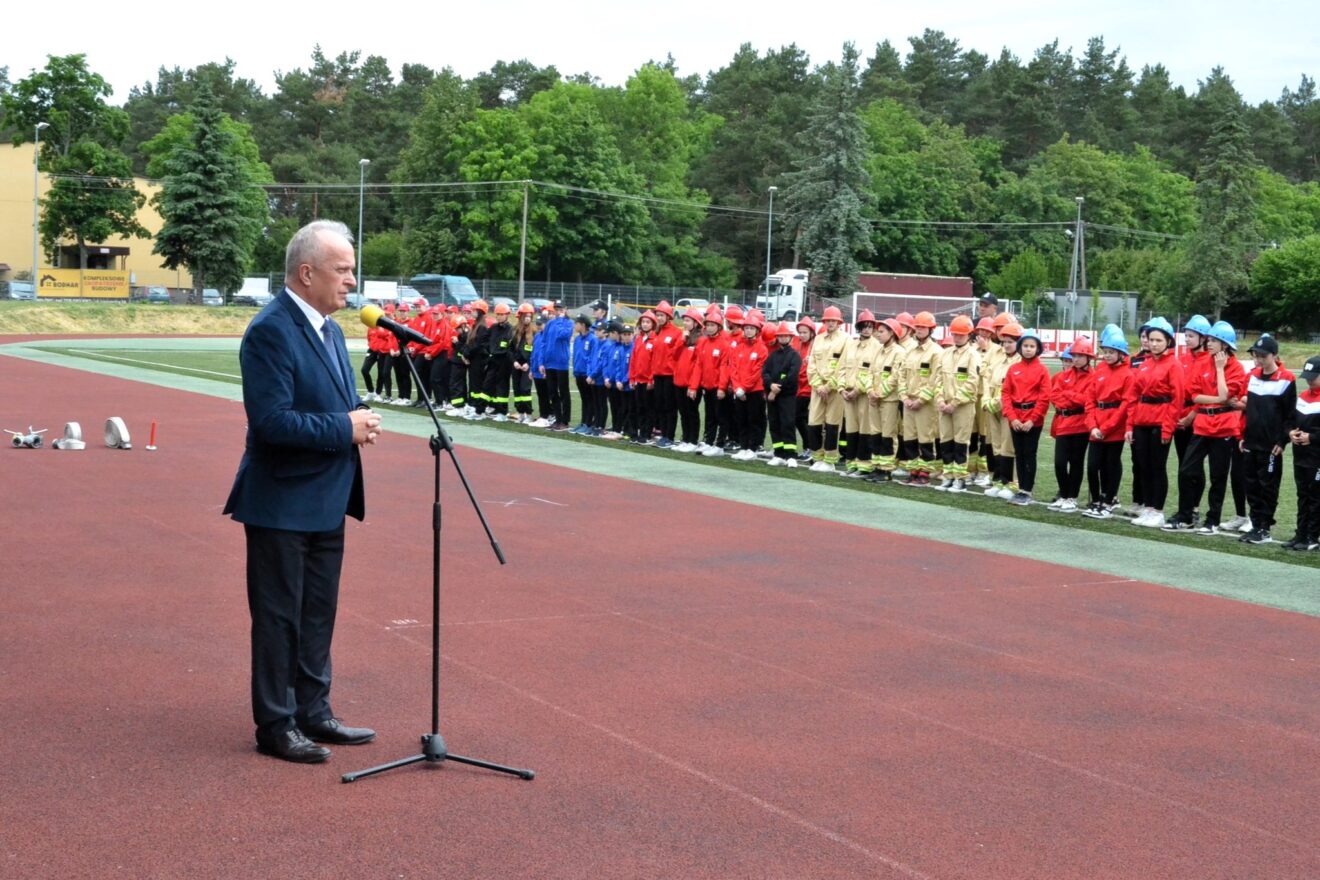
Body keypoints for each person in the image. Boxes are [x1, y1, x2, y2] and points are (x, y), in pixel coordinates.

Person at [223, 220, 380, 764]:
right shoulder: (271, 329)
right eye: (343, 270)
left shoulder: (332, 330)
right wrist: (346, 428)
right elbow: (271, 422)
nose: (352, 282)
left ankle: (314, 710)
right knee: (278, 617)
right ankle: (276, 723)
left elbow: (338, 403)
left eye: (352, 270)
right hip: (282, 501)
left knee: (318, 612)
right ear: (306, 272)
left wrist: (357, 417)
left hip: (327, 498)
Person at [1165, 321, 1247, 534]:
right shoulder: (1202, 364)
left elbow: (1227, 394)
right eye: (1208, 339)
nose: (1208, 343)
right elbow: (1195, 395)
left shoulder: (1236, 368)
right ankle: (1185, 515)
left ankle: (1212, 520)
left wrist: (1220, 371)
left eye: (1213, 340)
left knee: (1217, 476)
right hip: (1202, 424)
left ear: (1225, 344)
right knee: (1186, 470)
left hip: (1224, 427)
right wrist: (1218, 398)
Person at [1125, 317, 1184, 528]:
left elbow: (1176, 400)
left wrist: (1168, 428)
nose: (1154, 343)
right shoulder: (1145, 364)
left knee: (1157, 467)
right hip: (1142, 420)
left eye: (1159, 340)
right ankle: (1148, 508)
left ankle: (1157, 511)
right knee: (1143, 466)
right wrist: (1130, 426)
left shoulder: (1174, 365)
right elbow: (1133, 396)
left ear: (1168, 341)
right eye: (1151, 339)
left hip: (1160, 422)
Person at [1239, 335, 1297, 544]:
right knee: (1251, 486)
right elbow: (1248, 411)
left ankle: (1264, 528)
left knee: (1268, 487)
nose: (1258, 359)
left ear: (1274, 355)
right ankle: (1255, 525)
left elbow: (1290, 416)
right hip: (1250, 442)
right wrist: (1241, 435)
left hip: (1271, 446)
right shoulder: (1253, 376)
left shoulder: (1287, 379)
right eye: (1256, 354)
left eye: (1263, 355)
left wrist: (1282, 442)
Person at [1082, 325, 1133, 518]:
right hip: (1097, 425)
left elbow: (1125, 404)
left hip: (1114, 428)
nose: (1108, 355)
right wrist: (1093, 426)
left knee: (1111, 464)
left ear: (1121, 354)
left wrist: (1107, 428)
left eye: (1112, 352)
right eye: (1106, 352)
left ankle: (1108, 500)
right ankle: (1095, 499)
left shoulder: (1127, 374)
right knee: (1093, 465)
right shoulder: (1100, 371)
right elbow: (1090, 400)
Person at [1001, 328, 1051, 505]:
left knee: (1029, 454)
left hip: (1032, 420)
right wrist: (1012, 417)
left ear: (1038, 349)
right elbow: (1006, 394)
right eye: (1025, 345)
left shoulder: (1042, 370)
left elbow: (1044, 397)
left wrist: (1032, 419)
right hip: (1015, 418)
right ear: (1020, 347)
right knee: (1019, 454)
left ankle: (1027, 490)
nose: (1028, 349)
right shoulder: (1013, 369)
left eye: (1032, 346)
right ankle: (1021, 488)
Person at [1048, 334, 1095, 511]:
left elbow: (1087, 400)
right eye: (1073, 356)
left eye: (1079, 356)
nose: (1075, 359)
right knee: (1059, 462)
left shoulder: (1093, 377)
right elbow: (1055, 395)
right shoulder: (1064, 376)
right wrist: (1071, 398)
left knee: (1076, 462)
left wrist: (1069, 395)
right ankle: (1065, 494)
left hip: (1081, 424)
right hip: (1063, 422)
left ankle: (1072, 498)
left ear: (1088, 357)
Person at [935, 314, 981, 491]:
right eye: (955, 334)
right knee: (946, 441)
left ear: (969, 334)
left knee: (961, 442)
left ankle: (960, 478)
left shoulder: (973, 355)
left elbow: (972, 382)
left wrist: (954, 402)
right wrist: (940, 399)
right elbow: (937, 378)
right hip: (944, 405)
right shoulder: (945, 354)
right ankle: (948, 476)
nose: (957, 337)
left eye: (961, 334)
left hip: (962, 406)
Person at [898, 311, 942, 485]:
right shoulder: (910, 351)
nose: (919, 330)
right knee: (910, 438)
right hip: (909, 402)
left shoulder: (936, 352)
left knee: (925, 438)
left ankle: (924, 472)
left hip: (925, 404)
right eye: (917, 327)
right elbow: (901, 375)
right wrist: (904, 397)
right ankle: (913, 470)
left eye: (923, 327)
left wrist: (921, 400)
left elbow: (935, 379)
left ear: (931, 329)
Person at [839, 310, 883, 477]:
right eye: (864, 326)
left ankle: (865, 464)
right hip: (848, 394)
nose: (867, 330)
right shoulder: (850, 346)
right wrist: (842, 389)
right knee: (851, 430)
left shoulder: (877, 347)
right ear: (858, 327)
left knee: (865, 430)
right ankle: (852, 463)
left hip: (864, 395)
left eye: (870, 326)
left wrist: (858, 389)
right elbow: (841, 369)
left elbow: (873, 372)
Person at [807, 306, 849, 472]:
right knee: (813, 423)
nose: (830, 323)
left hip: (834, 388)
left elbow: (843, 366)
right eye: (828, 320)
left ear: (839, 322)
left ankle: (830, 459)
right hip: (817, 388)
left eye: (833, 320)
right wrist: (818, 385)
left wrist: (829, 386)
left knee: (833, 424)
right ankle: (817, 457)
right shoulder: (818, 339)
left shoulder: (846, 340)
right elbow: (811, 364)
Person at [1286, 356, 1320, 550]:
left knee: (1316, 497)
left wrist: (1312, 438)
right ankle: (1301, 534)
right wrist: (1290, 432)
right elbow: (1290, 420)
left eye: (1313, 377)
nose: (1309, 380)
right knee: (1303, 495)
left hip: (1317, 458)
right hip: (1301, 457)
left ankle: (1312, 537)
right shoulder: (1303, 396)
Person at [763, 321, 803, 467]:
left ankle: (791, 455)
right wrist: (770, 385)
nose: (783, 338)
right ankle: (778, 453)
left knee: (787, 424)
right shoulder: (773, 355)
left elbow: (791, 375)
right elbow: (765, 372)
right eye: (780, 336)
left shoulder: (794, 356)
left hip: (787, 396)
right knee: (774, 424)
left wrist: (776, 389)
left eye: (786, 336)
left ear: (791, 337)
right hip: (773, 396)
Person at [538, 301, 573, 429]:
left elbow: (563, 335)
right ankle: (557, 419)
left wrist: (560, 320)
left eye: (560, 308)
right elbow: (544, 342)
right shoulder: (550, 324)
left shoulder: (568, 323)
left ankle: (565, 420)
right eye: (556, 308)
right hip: (549, 363)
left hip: (561, 363)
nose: (558, 311)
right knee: (552, 392)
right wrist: (541, 361)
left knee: (563, 392)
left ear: (565, 309)